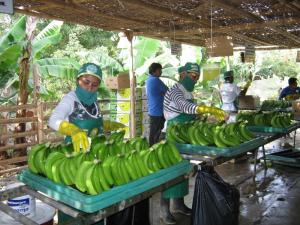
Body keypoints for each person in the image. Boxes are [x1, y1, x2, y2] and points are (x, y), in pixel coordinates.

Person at [162, 62, 226, 224]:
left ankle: (179, 205)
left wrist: (204, 118)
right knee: (169, 172)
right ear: (182, 74)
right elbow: (184, 107)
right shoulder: (176, 90)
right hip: (172, 135)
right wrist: (207, 110)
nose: (194, 79)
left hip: (185, 134)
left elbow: (191, 112)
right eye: (191, 75)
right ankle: (164, 212)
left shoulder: (188, 92)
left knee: (183, 170)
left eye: (196, 76)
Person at [49, 62, 124, 152]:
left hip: (96, 151)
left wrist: (106, 124)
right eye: (86, 82)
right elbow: (53, 120)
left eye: (95, 85)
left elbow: (92, 120)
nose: (89, 87)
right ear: (78, 80)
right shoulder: (70, 99)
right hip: (75, 152)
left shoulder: (93, 99)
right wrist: (74, 130)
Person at [146, 63, 168, 146]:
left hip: (153, 110)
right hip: (158, 111)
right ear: (154, 71)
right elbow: (167, 91)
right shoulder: (156, 80)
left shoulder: (149, 80)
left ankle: (151, 147)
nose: (161, 72)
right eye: (159, 70)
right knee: (157, 133)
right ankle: (153, 148)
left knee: (154, 132)